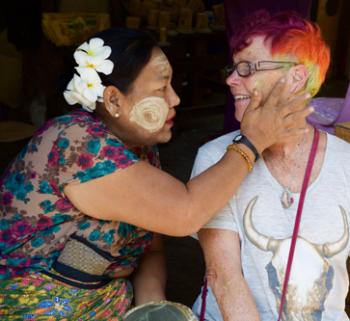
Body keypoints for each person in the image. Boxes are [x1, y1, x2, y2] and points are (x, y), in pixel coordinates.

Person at [0, 28, 310, 320]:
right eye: (161, 89)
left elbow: (151, 249)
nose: (175, 99)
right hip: (39, 308)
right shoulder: (77, 143)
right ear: (113, 100)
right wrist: (253, 141)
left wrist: (152, 308)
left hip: (104, 305)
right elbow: (184, 214)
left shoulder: (140, 148)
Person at [191, 10, 349, 321]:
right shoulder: (214, 158)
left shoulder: (346, 163)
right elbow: (224, 280)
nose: (231, 79)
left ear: (296, 76)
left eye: (247, 68)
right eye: (234, 67)